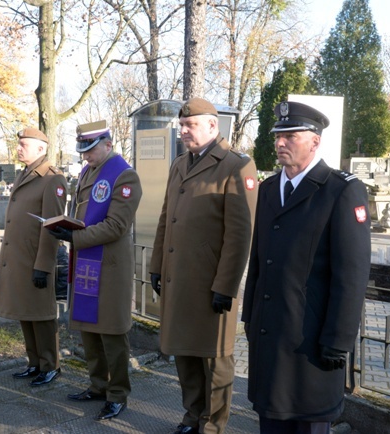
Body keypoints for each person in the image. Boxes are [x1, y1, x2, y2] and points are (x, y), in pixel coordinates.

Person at [241, 101, 371, 434]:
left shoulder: (340, 191)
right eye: (277, 136)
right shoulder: (270, 189)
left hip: (312, 342)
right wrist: (249, 317)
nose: (280, 143)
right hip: (271, 336)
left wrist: (338, 340)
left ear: (315, 141)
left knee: (308, 425)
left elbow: (351, 275)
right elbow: (259, 259)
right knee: (270, 422)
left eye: (290, 136)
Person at [149, 97, 258, 434]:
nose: (183, 131)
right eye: (181, 125)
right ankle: (191, 415)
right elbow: (167, 218)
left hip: (211, 282)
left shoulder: (237, 165)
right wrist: (156, 266)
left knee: (215, 358)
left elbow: (240, 235)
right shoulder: (181, 164)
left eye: (190, 125)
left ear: (212, 126)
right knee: (185, 351)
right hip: (179, 279)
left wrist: (225, 286)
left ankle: (212, 425)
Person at [47, 120, 142, 421]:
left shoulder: (124, 175)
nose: (85, 156)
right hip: (87, 261)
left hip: (110, 266)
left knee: (112, 334)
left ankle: (117, 395)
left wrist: (73, 237)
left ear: (108, 144)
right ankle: (98, 385)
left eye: (90, 149)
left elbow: (116, 225)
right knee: (89, 330)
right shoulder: (90, 170)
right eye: (83, 150)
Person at [0, 127, 68, 387]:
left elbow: (52, 227)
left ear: (41, 148)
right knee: (26, 312)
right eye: (19, 143)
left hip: (36, 260)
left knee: (43, 315)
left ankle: (50, 365)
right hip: (20, 259)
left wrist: (44, 266)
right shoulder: (26, 174)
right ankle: (34, 362)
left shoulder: (52, 179)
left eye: (24, 144)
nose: (19, 148)